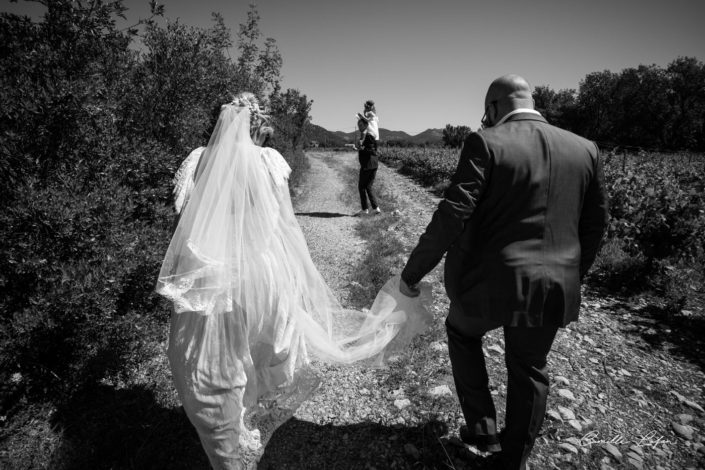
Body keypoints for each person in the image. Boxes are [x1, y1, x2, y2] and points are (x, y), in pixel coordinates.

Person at [157, 93, 431, 469]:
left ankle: (225, 441)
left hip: (211, 277)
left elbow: (181, 228)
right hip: (262, 274)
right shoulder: (269, 161)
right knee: (255, 349)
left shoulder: (197, 160)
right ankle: (239, 423)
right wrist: (296, 278)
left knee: (211, 365)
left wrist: (182, 279)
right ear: (259, 127)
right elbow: (284, 227)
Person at [398, 75, 608, 470]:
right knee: (529, 367)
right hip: (553, 285)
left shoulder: (486, 141)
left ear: (493, 108)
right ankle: (513, 460)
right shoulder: (585, 149)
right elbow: (596, 224)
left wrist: (412, 272)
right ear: (530, 100)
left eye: (485, 113)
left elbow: (453, 213)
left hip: (489, 285)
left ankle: (482, 428)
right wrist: (572, 274)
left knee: (462, 332)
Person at [356, 117, 381, 215]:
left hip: (368, 165)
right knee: (368, 186)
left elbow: (371, 150)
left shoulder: (369, 135)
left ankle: (365, 209)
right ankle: (376, 208)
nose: (359, 127)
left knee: (361, 186)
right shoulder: (371, 135)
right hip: (374, 164)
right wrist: (361, 147)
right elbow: (374, 149)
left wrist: (360, 149)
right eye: (358, 126)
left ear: (366, 125)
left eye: (361, 125)